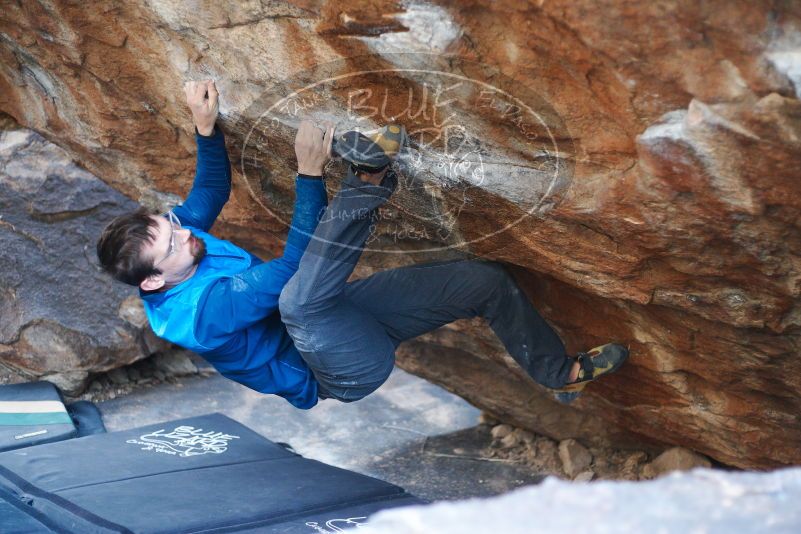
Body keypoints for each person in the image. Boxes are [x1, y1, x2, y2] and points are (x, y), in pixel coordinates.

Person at [96, 80, 628, 409]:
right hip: (338, 370)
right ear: (153, 280)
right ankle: (366, 178)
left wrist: (205, 127)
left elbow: (208, 193)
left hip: (343, 317)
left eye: (173, 224)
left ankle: (558, 374)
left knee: (484, 282)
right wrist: (309, 174)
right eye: (173, 241)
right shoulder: (202, 313)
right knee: (298, 300)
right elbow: (293, 268)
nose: (187, 232)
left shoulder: (175, 250)